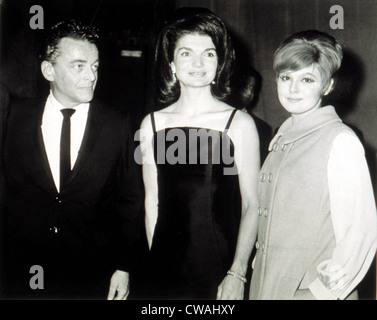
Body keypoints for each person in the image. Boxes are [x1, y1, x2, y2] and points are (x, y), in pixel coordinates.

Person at [1, 20, 144, 299]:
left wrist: (123, 267)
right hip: (22, 270)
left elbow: (130, 200)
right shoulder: (14, 117)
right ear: (48, 70)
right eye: (79, 65)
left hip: (91, 274)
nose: (91, 75)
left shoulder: (117, 124)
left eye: (95, 66)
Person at [139, 9, 260, 299]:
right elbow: (151, 201)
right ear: (171, 64)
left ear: (219, 64)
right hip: (163, 268)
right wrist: (155, 264)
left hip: (219, 265)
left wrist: (237, 272)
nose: (197, 63)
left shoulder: (239, 123)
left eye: (208, 54)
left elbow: (252, 205)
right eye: (186, 53)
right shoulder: (152, 124)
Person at [246, 30, 376, 299]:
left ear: (327, 86)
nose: (293, 89)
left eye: (307, 79)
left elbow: (361, 229)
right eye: (286, 78)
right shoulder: (282, 140)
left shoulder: (339, 140)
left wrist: (318, 293)